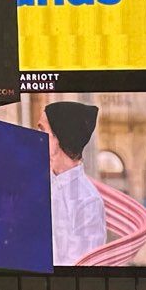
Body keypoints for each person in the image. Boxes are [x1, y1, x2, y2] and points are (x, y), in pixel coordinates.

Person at [43, 100, 106, 264]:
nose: (36, 137)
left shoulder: (88, 201)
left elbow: (82, 268)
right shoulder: (36, 183)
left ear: (60, 138)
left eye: (43, 131)